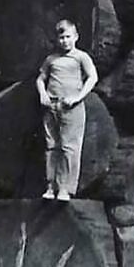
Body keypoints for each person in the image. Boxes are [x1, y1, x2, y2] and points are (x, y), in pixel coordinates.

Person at [36, 19, 98, 201]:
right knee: (51, 146)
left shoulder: (81, 57)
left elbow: (92, 77)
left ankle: (65, 188)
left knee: (69, 147)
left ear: (76, 37)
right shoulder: (51, 59)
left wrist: (78, 97)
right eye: (61, 38)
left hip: (71, 106)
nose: (64, 41)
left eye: (68, 37)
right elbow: (40, 79)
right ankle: (50, 186)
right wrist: (42, 95)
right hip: (51, 106)